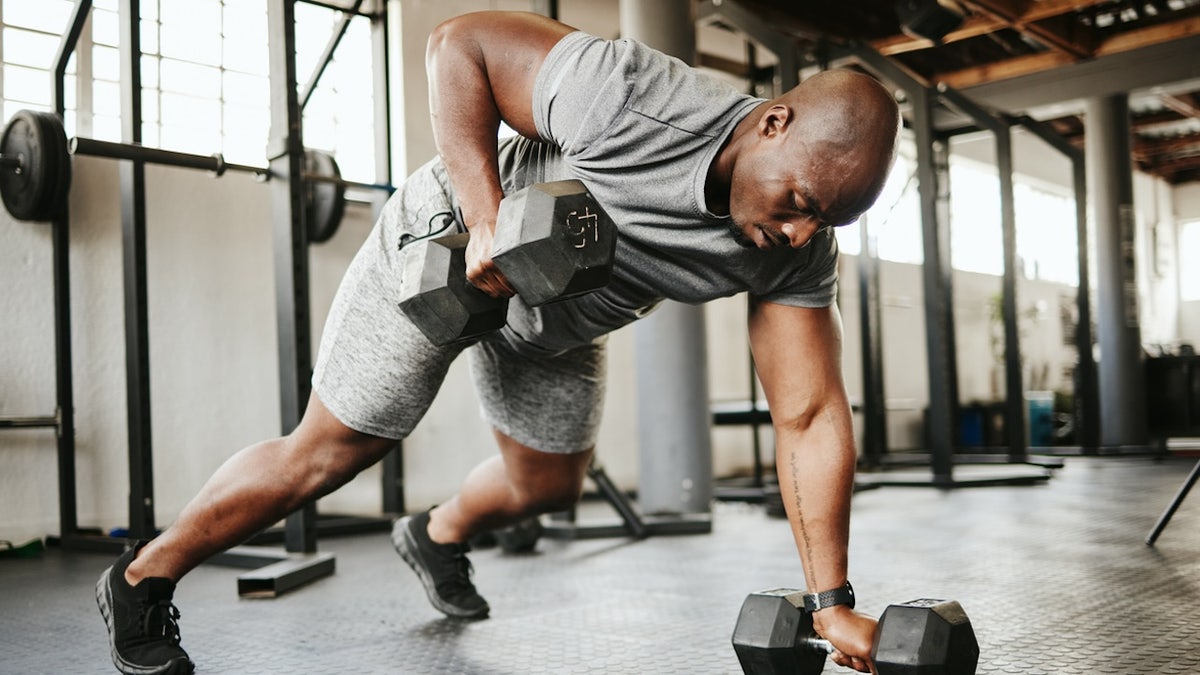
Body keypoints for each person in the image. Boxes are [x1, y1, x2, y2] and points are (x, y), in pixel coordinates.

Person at [95, 10, 900, 675]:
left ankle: (436, 531)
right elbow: (458, 44)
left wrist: (832, 603)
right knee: (330, 451)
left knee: (548, 484)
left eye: (823, 220)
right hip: (446, 251)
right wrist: (485, 220)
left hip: (563, 311)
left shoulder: (794, 254)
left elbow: (809, 416)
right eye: (798, 199)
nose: (798, 232)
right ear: (772, 122)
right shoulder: (630, 98)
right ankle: (142, 577)